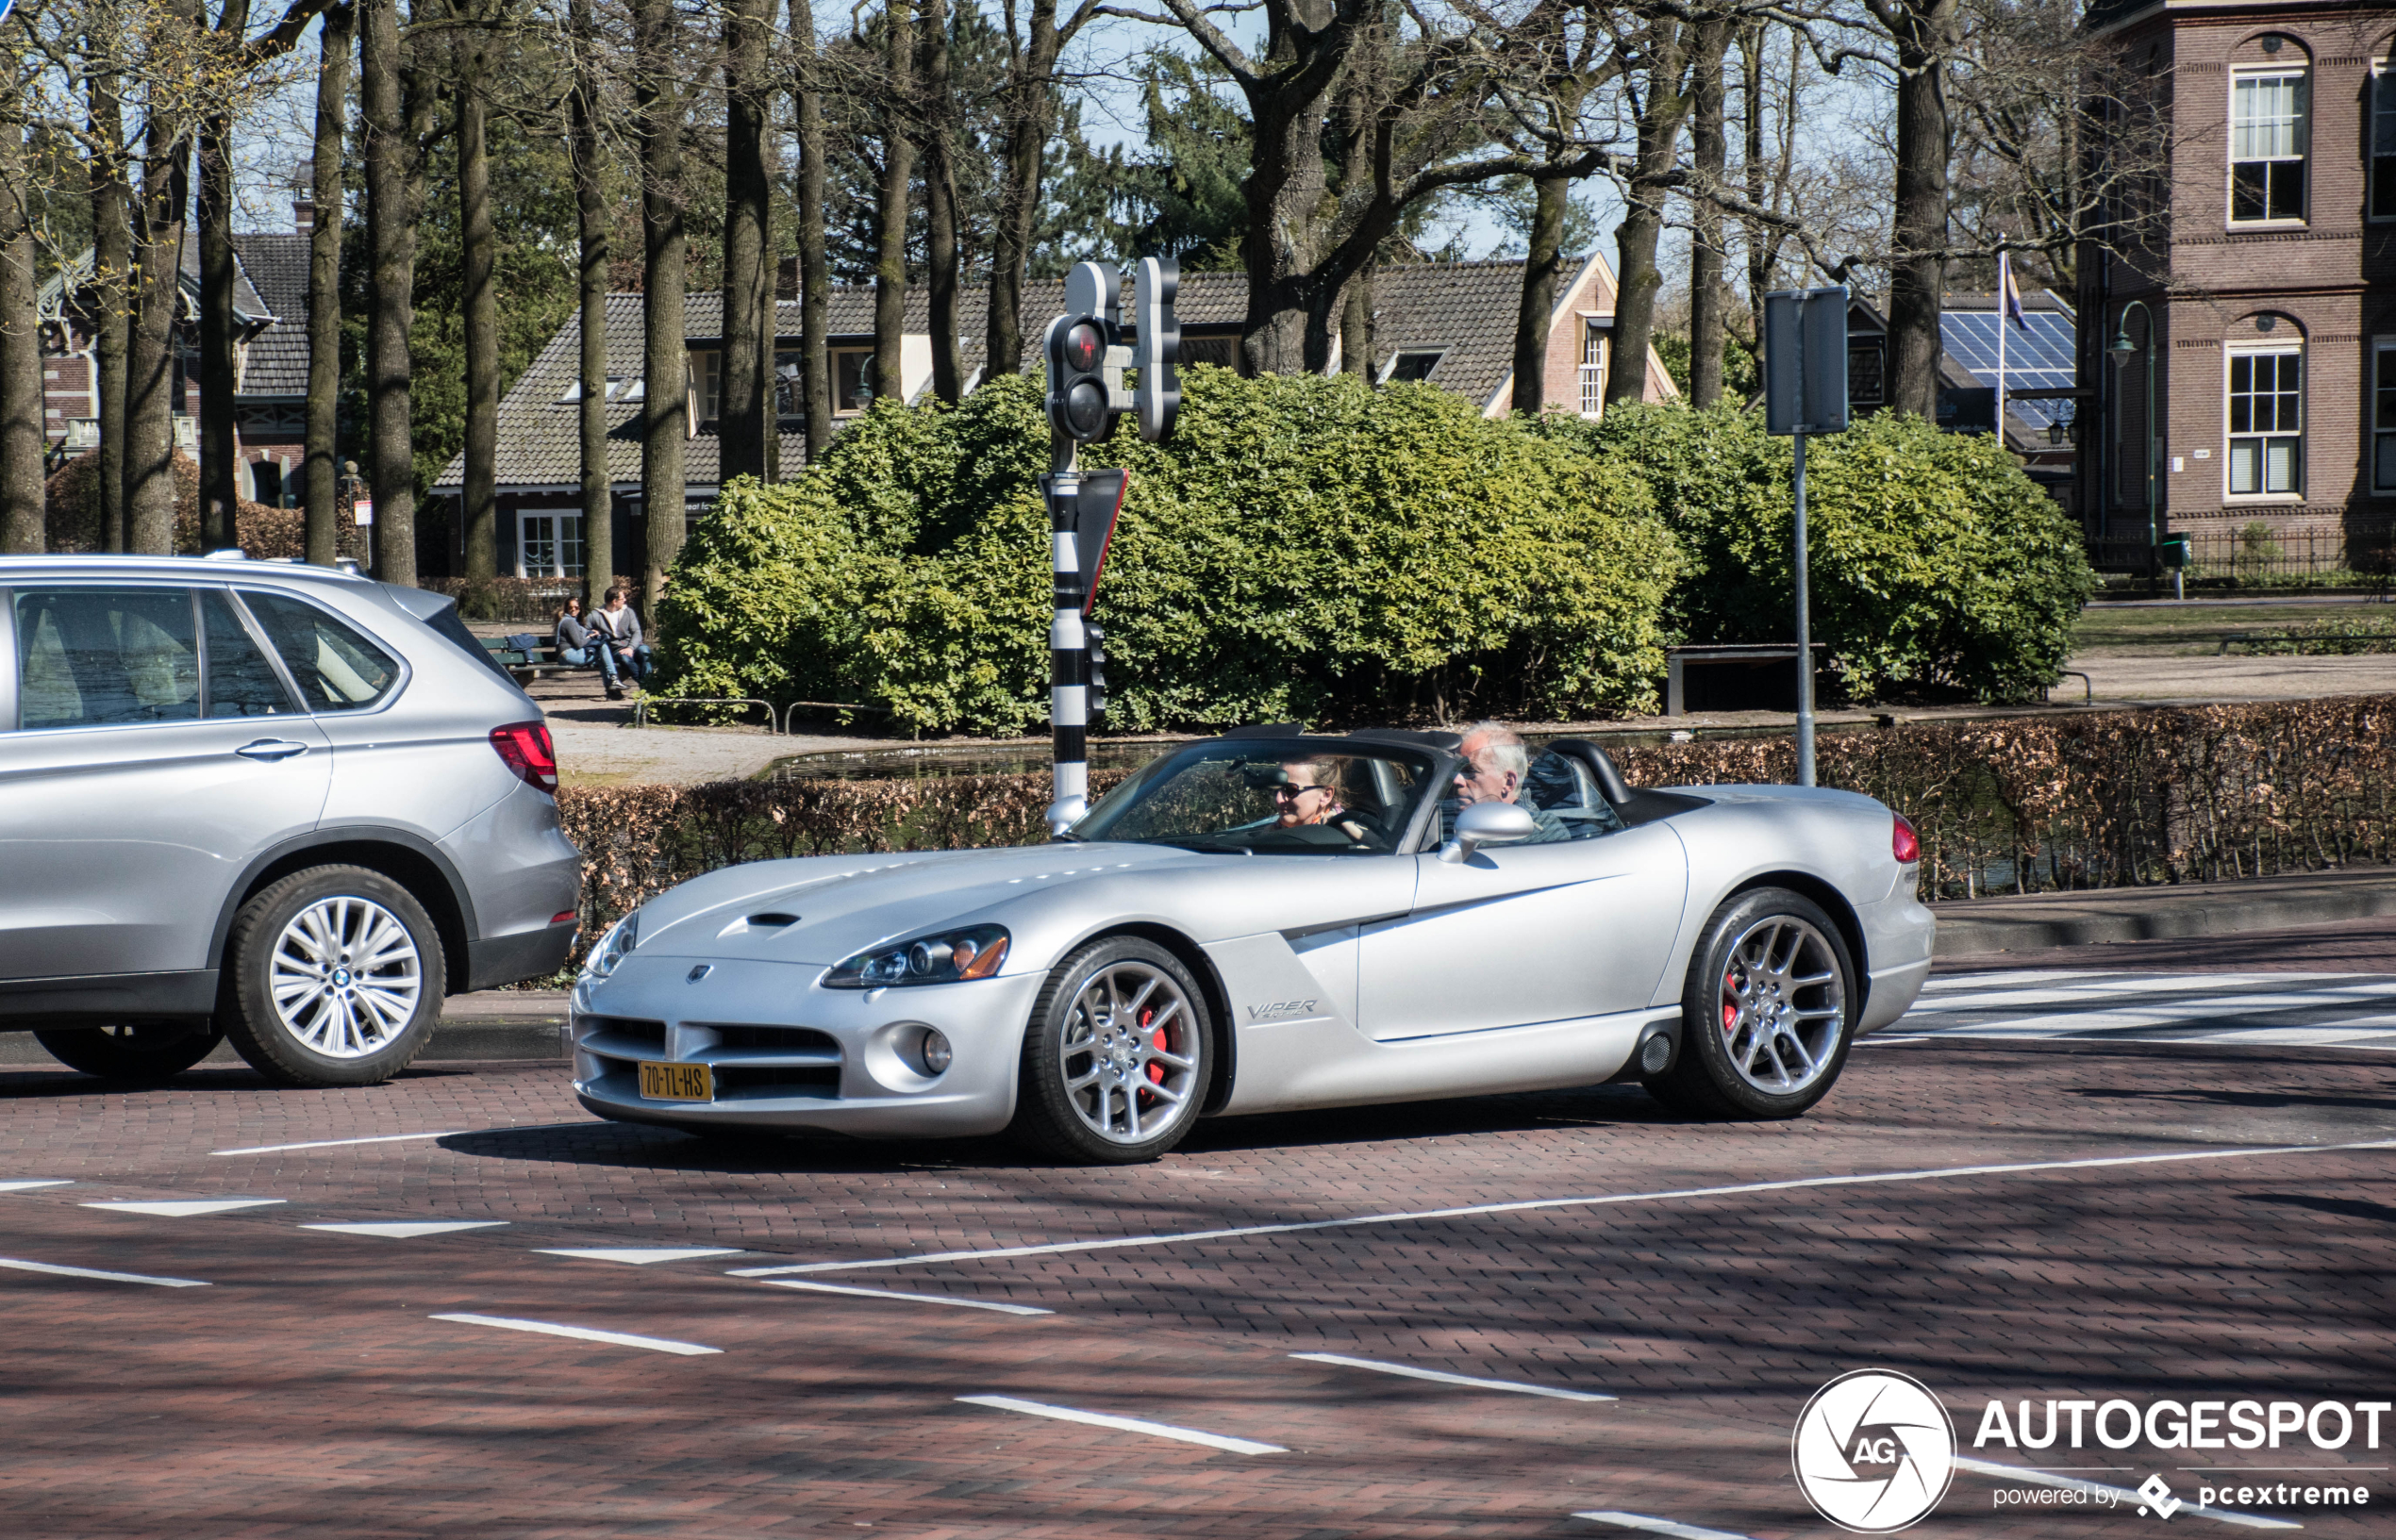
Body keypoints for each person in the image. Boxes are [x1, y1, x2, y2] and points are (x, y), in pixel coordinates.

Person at [1450, 720, 1572, 843]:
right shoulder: (1440, 818)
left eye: (1470, 772)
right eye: (1456, 770)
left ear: (1508, 782)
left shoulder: (1543, 835)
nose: (1456, 780)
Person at [1272, 757, 1375, 843]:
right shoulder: (1272, 831)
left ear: (1326, 795)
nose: (1278, 799)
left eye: (1290, 790)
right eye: (1276, 790)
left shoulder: (1348, 838)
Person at [588, 587, 656, 701]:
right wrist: (593, 633)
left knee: (645, 652)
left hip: (634, 645)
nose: (625, 600)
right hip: (616, 649)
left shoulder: (628, 612)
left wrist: (631, 647)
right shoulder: (596, 615)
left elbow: (637, 632)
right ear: (614, 601)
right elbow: (584, 630)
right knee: (625, 659)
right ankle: (647, 686)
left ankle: (648, 687)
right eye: (622, 598)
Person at [552, 596, 598, 671]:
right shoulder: (569, 622)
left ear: (579, 609)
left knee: (603, 654)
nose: (573, 609)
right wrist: (591, 637)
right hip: (568, 656)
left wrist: (591, 633)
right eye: (570, 607)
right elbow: (579, 644)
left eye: (576, 607)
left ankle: (612, 677)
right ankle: (612, 677)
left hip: (567, 656)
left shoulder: (573, 622)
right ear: (566, 609)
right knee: (603, 653)